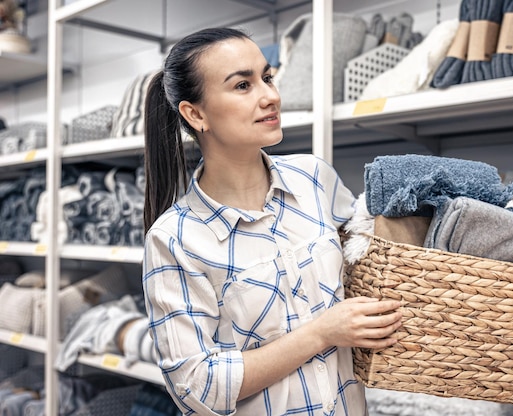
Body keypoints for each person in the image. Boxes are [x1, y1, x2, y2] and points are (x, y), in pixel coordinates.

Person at [142, 27, 403, 415]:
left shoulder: (314, 178)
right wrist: (322, 332)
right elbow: (197, 387)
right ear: (195, 114)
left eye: (267, 77)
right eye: (243, 86)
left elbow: (368, 258)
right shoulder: (174, 239)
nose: (270, 96)